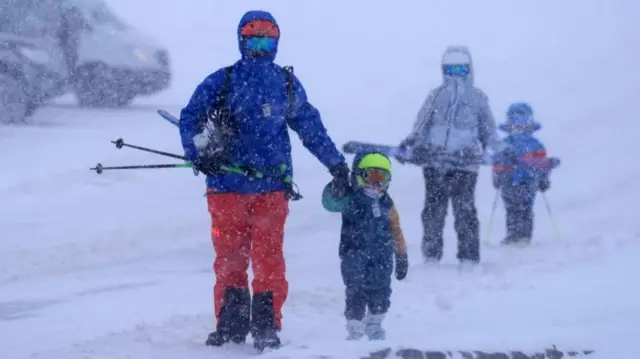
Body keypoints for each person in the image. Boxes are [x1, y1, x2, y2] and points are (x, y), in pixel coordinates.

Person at [178, 10, 350, 351]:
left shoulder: (285, 84)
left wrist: (336, 164)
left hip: (271, 190)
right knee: (230, 258)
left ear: (276, 42)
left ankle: (266, 326)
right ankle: (230, 324)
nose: (260, 46)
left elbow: (310, 127)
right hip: (226, 189)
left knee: (268, 258)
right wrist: (197, 152)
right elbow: (190, 117)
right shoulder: (222, 80)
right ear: (241, 41)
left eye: (267, 39)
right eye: (253, 39)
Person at [398, 45, 501, 266]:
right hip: (435, 161)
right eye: (451, 70)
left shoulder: (477, 98)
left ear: (469, 69)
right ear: (444, 70)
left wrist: (497, 150)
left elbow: (488, 130)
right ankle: (431, 255)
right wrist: (413, 141)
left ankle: (469, 257)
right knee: (433, 210)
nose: (456, 76)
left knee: (465, 210)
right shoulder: (436, 96)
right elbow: (423, 122)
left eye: (461, 70)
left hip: (466, 164)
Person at [322, 152, 409, 341]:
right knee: (356, 291)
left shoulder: (387, 203)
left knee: (381, 291)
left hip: (382, 257)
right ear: (359, 177)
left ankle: (375, 326)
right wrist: (336, 187)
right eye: (371, 176)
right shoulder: (351, 199)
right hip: (354, 255)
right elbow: (330, 203)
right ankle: (355, 329)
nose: (376, 184)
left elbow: (396, 229)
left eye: (382, 178)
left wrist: (401, 255)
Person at [491, 102, 559, 246]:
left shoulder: (535, 145)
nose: (518, 126)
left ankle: (524, 237)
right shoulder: (505, 144)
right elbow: (498, 162)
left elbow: (542, 164)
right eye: (515, 122)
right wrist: (497, 176)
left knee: (526, 208)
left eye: (522, 122)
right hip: (508, 181)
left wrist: (544, 178)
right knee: (511, 209)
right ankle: (512, 235)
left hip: (528, 181)